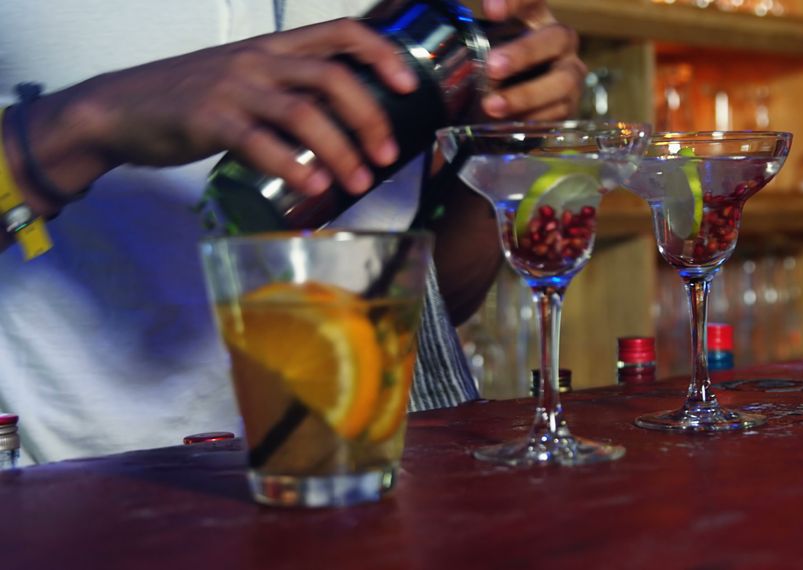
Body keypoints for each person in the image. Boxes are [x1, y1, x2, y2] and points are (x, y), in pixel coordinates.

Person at [0, 0, 586, 464]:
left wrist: (496, 143)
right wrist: (77, 125)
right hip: (45, 499)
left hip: (332, 481)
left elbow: (439, 301)